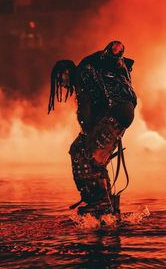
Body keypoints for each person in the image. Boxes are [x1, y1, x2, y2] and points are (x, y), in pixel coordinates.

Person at [48, 41, 137, 218]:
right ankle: (106, 203)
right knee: (79, 150)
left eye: (61, 79)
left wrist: (114, 50)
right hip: (118, 112)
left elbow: (85, 111)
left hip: (117, 111)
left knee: (89, 155)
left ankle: (100, 202)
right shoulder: (86, 73)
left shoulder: (84, 72)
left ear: (66, 72)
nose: (62, 84)